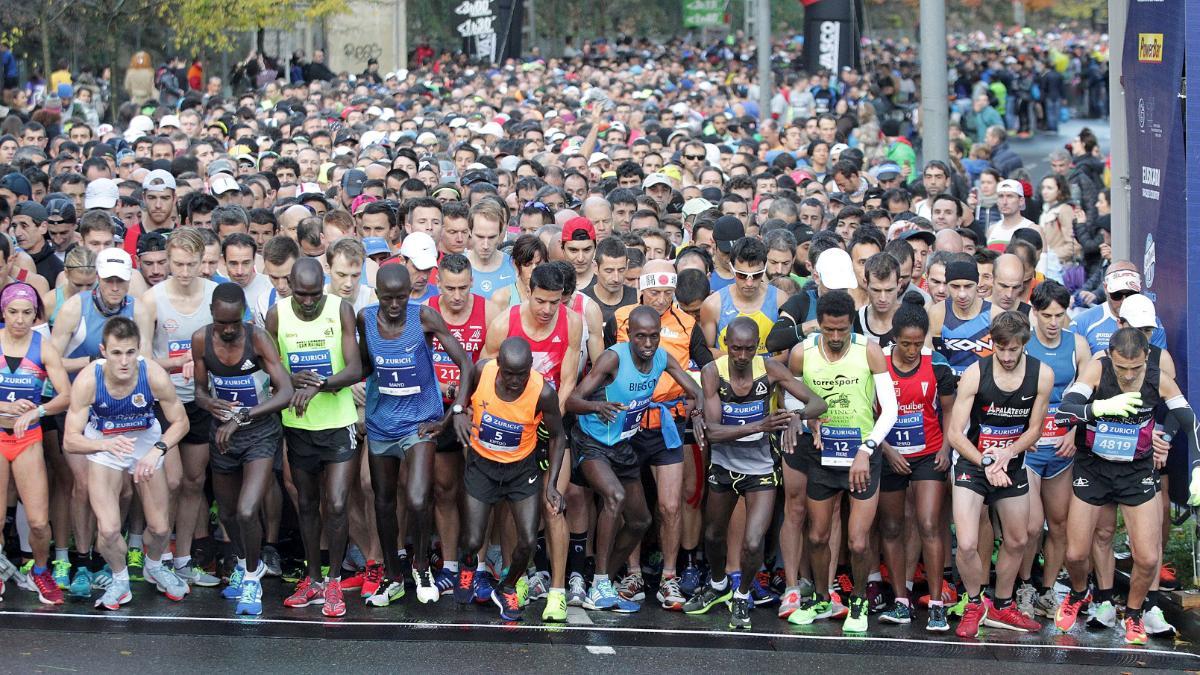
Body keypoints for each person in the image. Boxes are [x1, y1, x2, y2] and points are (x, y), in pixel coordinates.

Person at [1054, 327, 1200, 644]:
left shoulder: (1158, 379)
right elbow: (1063, 413)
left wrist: (1197, 466)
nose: (1129, 375)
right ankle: (1079, 593)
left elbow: (1191, 422)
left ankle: (1133, 614)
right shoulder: (1097, 370)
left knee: (1147, 558)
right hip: (1094, 468)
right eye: (1122, 367)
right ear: (1111, 357)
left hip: (1135, 471)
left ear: (1147, 357)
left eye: (1136, 368)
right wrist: (1098, 408)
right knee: (1076, 554)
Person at [683, 317, 825, 630]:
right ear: (726, 345)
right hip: (724, 465)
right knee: (713, 535)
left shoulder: (769, 369)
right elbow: (713, 432)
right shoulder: (713, 372)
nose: (742, 355)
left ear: (757, 347)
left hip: (760, 468)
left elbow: (818, 402)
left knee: (752, 541)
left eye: (749, 349)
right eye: (736, 348)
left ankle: (742, 594)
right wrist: (759, 425)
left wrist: (795, 416)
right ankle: (718, 585)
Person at [566, 305, 703, 612]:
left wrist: (696, 412)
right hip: (592, 443)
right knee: (614, 497)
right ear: (629, 335)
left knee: (641, 520)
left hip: (622, 445)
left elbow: (695, 388)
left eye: (654, 336)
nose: (648, 344)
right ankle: (600, 581)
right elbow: (573, 401)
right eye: (641, 336)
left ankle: (603, 582)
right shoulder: (613, 358)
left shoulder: (662, 358)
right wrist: (597, 407)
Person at [357, 264, 474, 606]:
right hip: (382, 422)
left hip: (421, 421)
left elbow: (466, 363)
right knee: (383, 501)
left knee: (419, 497)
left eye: (401, 297)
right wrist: (329, 383)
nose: (395, 305)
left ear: (410, 294)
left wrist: (456, 410)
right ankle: (393, 576)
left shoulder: (424, 316)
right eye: (388, 299)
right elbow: (365, 366)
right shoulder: (365, 318)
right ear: (377, 295)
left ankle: (421, 567)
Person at [787, 290, 897, 634]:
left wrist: (867, 449)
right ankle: (822, 598)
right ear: (818, 324)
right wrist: (808, 419)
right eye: (829, 329)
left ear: (852, 325)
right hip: (821, 452)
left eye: (843, 330)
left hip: (862, 455)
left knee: (858, 541)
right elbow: (790, 401)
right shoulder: (801, 353)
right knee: (817, 536)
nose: (835, 337)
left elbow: (890, 410)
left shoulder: (869, 350)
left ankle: (859, 602)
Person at [62, 317, 191, 609]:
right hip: (104, 442)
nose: (124, 361)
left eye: (130, 352)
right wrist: (104, 445)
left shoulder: (153, 374)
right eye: (117, 353)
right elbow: (70, 440)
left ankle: (154, 566)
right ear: (103, 351)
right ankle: (120, 580)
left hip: (145, 440)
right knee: (108, 530)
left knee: (160, 529)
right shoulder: (88, 380)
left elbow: (180, 422)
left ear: (139, 350)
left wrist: (157, 451)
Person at [610, 259, 714, 609]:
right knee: (630, 504)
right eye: (654, 292)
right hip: (628, 423)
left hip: (668, 422)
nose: (661, 299)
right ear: (641, 290)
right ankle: (632, 573)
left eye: (668, 293)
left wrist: (699, 409)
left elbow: (707, 369)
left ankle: (669, 577)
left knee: (671, 504)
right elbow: (605, 363)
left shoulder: (687, 324)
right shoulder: (620, 318)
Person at [481, 261, 582, 621]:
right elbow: (485, 375)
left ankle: (557, 592)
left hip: (550, 426)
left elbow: (568, 380)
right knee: (511, 508)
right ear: (528, 292)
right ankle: (518, 580)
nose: (547, 310)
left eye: (555, 302)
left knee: (554, 505)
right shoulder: (503, 323)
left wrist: (549, 418)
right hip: (512, 430)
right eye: (541, 301)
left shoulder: (571, 322)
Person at [946, 311, 1053, 638]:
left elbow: (1035, 429)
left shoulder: (1041, 375)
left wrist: (1007, 453)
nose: (1006, 356)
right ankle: (974, 603)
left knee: (1018, 538)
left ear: (1024, 345)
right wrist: (986, 462)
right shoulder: (975, 374)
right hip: (973, 462)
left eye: (1013, 350)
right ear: (992, 343)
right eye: (1000, 349)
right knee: (967, 543)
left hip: (1011, 464)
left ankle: (1003, 605)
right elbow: (955, 434)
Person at [267, 257, 363, 617]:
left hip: (338, 422)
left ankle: (335, 581)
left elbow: (354, 368)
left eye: (314, 295)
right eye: (301, 294)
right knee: (306, 504)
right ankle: (313, 578)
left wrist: (319, 385)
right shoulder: (276, 314)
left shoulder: (340, 309)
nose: (308, 302)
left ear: (322, 286)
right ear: (289, 286)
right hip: (299, 424)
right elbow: (270, 366)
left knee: (336, 504)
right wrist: (291, 380)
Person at [190, 283, 294, 616]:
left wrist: (242, 416)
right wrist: (209, 403)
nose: (229, 330)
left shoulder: (258, 338)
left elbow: (285, 392)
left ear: (244, 315)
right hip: (223, 435)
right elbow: (199, 391)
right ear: (212, 315)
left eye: (235, 322)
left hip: (259, 432)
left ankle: (252, 577)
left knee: (248, 510)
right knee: (229, 513)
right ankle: (242, 562)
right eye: (222, 323)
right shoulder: (200, 340)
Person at [454, 337, 567, 621]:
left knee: (527, 541)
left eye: (522, 374)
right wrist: (459, 412)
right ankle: (468, 565)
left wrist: (552, 484)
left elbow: (558, 436)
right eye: (509, 374)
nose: (515, 381)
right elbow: (462, 398)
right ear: (498, 364)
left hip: (521, 470)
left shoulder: (543, 393)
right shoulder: (482, 371)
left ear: (531, 367)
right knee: (472, 539)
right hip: (482, 465)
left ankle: (506, 588)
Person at [134, 227, 220, 588]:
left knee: (193, 481)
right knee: (169, 481)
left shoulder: (214, 295)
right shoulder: (151, 300)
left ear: (203, 262)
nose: (184, 272)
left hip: (200, 399)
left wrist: (202, 363)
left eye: (191, 264)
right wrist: (177, 363)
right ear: (168, 261)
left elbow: (228, 347)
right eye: (178, 264)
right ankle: (158, 558)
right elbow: (140, 358)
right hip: (163, 402)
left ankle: (183, 558)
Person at [876, 300, 958, 631]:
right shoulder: (878, 365)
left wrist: (947, 448)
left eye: (918, 343)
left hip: (928, 453)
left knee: (928, 524)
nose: (912, 350)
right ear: (894, 338)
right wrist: (886, 450)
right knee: (892, 527)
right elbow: (868, 412)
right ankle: (900, 601)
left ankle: (937, 605)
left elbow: (950, 410)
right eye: (905, 343)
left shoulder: (937, 367)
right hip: (890, 454)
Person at [426, 253, 496, 594]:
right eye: (450, 288)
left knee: (479, 491)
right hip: (437, 409)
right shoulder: (426, 311)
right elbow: (416, 360)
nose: (457, 296)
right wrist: (444, 389)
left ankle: (479, 566)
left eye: (463, 288)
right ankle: (450, 564)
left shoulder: (488, 310)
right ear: (438, 283)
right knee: (444, 488)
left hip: (475, 410)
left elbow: (493, 366)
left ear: (472, 284)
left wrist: (467, 399)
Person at [1018, 280, 1088, 618]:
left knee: (1059, 524)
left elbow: (1091, 394)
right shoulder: (1024, 344)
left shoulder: (1078, 345)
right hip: (1030, 448)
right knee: (1031, 526)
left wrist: (1075, 431)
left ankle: (1047, 590)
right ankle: (1024, 586)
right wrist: (1023, 435)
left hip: (1062, 448)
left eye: (1059, 315)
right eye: (1046, 315)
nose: (1053, 322)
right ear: (1034, 312)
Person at [0, 284, 70, 604]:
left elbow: (66, 395)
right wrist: (5, 407)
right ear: (3, 312)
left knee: (39, 522)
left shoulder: (43, 347)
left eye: (27, 313)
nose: (19, 319)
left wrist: (37, 411)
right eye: (13, 312)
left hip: (27, 437)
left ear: (36, 315)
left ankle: (40, 572)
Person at [700, 236, 781, 356]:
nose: (749, 283)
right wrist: (740, 361)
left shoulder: (780, 300)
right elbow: (706, 350)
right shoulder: (713, 305)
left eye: (756, 275)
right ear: (731, 269)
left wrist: (757, 364)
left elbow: (786, 352)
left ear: (764, 269)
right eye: (742, 275)